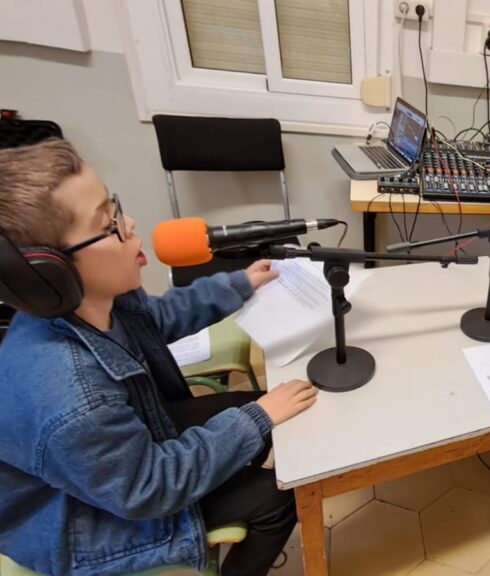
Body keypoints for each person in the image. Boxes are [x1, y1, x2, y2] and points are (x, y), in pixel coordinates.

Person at [0, 139, 318, 575]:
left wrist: (238, 284)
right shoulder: (72, 401)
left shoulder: (96, 302)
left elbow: (158, 317)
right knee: (282, 495)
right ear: (48, 271)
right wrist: (256, 418)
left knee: (265, 412)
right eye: (108, 223)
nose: (129, 222)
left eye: (115, 207)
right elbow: (151, 487)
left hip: (122, 461)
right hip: (87, 522)